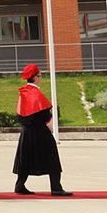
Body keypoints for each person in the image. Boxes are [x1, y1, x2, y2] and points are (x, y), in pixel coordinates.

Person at [13, 64, 70, 196]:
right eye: (40, 76)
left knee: (25, 157)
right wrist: (51, 129)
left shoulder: (24, 92)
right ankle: (56, 187)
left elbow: (21, 114)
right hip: (40, 131)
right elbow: (45, 116)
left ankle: (19, 185)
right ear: (35, 78)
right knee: (52, 155)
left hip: (26, 132)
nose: (41, 78)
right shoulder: (36, 94)